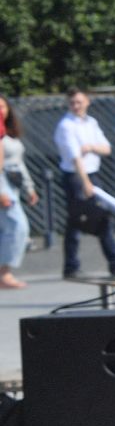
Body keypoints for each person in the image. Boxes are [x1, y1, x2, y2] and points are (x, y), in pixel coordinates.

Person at [52, 87, 115, 278]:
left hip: (93, 174)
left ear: (87, 102)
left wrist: (91, 147)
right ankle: (75, 267)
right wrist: (85, 183)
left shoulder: (91, 123)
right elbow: (75, 157)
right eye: (72, 103)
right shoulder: (66, 126)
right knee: (81, 220)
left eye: (79, 101)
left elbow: (106, 148)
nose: (76, 106)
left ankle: (112, 264)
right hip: (76, 177)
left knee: (94, 219)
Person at [0, 95, 39, 290]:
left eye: (2, 106)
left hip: (13, 183)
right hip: (2, 184)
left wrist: (29, 187)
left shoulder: (10, 133)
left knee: (9, 229)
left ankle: (4, 272)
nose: (1, 110)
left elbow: (19, 163)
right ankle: (4, 273)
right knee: (18, 226)